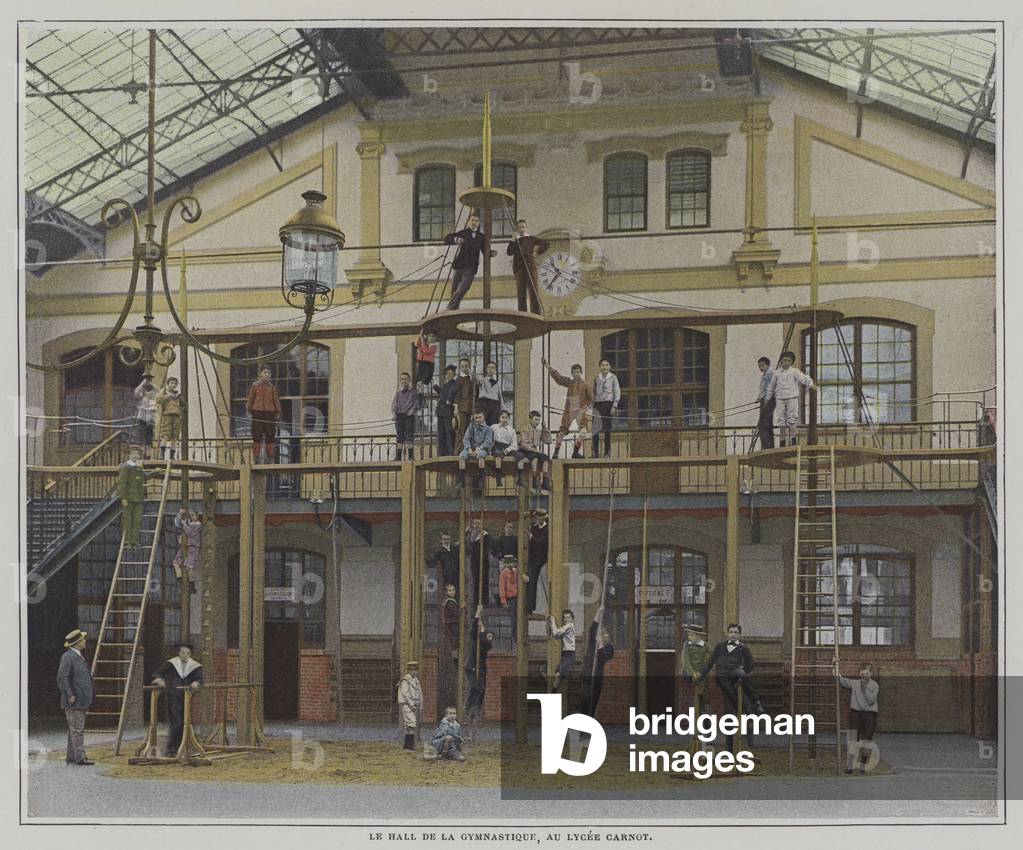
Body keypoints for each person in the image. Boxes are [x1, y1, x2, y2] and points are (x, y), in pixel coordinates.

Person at [151, 641, 203, 758]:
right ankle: (171, 749)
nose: (186, 655)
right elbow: (157, 673)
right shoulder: (171, 664)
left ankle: (182, 747)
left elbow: (200, 679)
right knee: (177, 722)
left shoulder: (194, 666)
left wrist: (196, 682)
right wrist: (159, 679)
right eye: (183, 652)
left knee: (186, 722)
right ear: (179, 653)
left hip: (187, 697)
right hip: (173, 696)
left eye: (188, 653)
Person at [701, 623, 766, 715]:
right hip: (722, 675)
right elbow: (710, 662)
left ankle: (756, 702)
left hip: (734, 672)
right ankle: (745, 713)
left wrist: (743, 671)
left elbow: (750, 664)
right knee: (732, 694)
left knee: (741, 673)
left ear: (739, 635)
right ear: (727, 634)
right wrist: (702, 675)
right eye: (731, 632)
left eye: (736, 632)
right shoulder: (720, 646)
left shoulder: (743, 648)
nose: (733, 634)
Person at [56, 629, 94, 765]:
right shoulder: (68, 657)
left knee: (75, 729)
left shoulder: (77, 656)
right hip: (74, 700)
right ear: (77, 642)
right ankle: (80, 757)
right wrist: (69, 694)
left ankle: (72, 756)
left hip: (81, 699)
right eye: (83, 639)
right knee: (77, 729)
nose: (85, 641)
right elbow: (61, 678)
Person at [835, 661, 880, 774]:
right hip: (855, 714)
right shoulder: (855, 683)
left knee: (866, 741)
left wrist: (864, 688)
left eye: (867, 674)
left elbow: (871, 700)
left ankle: (863, 766)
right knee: (852, 739)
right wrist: (834, 666)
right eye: (862, 674)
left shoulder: (874, 685)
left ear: (871, 674)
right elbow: (839, 679)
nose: (864, 676)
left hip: (869, 715)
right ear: (859, 673)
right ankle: (850, 765)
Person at [543, 359, 593, 459]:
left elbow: (591, 399)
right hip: (568, 412)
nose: (576, 374)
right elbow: (558, 378)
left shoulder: (586, 384)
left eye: (578, 372)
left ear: (581, 372)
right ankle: (556, 452)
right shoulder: (569, 383)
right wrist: (547, 366)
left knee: (583, 432)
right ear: (571, 373)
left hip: (580, 413)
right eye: (574, 372)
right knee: (562, 431)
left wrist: (585, 407)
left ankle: (575, 452)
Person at [444, 212, 494, 311]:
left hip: (470, 268)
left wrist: (491, 253)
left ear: (479, 223)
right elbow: (447, 239)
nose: (474, 222)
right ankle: (453, 316)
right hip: (458, 266)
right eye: (472, 220)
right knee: (454, 292)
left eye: (476, 221)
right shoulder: (463, 233)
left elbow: (485, 251)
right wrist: (456, 239)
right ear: (468, 222)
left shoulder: (481, 237)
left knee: (462, 289)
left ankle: (448, 309)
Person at [765, 351, 816, 448]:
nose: (786, 363)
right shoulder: (776, 373)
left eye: (788, 361)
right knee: (781, 421)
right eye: (784, 360)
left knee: (792, 419)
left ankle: (793, 441)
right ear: (781, 361)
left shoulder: (794, 371)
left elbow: (803, 378)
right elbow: (771, 386)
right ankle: (782, 442)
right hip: (780, 398)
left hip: (792, 398)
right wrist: (767, 398)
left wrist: (811, 384)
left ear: (791, 362)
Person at [118, 445, 159, 549]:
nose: (136, 456)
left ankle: (135, 541)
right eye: (133, 454)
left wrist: (156, 472)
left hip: (139, 498)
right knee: (128, 520)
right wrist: (123, 498)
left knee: (137, 520)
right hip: (129, 498)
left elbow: (145, 476)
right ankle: (128, 541)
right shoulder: (125, 467)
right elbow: (122, 483)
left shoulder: (138, 467)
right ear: (129, 455)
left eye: (137, 454)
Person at [506, 218, 549, 314]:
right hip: (519, 269)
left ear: (526, 228)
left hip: (530, 268)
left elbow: (546, 244)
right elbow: (509, 252)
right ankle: (522, 315)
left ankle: (536, 315)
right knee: (521, 293)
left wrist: (537, 251)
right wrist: (512, 240)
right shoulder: (515, 240)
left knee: (533, 291)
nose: (521, 229)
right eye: (519, 227)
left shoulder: (531, 238)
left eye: (523, 227)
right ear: (517, 229)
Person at [582, 607, 614, 718]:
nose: (605, 636)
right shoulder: (592, 643)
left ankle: (589, 723)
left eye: (606, 634)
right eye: (602, 634)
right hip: (587, 675)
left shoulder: (609, 647)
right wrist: (598, 612)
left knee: (593, 702)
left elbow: (603, 658)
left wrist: (600, 645)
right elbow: (592, 629)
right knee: (586, 700)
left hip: (596, 678)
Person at [464, 605, 494, 720]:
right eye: (489, 635)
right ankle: (468, 708)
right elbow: (473, 629)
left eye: (491, 636)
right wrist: (477, 613)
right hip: (471, 666)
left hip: (480, 667)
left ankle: (476, 708)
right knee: (475, 687)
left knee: (482, 689)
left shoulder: (487, 645)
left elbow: (485, 641)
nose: (490, 638)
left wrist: (482, 629)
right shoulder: (475, 640)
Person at [246, 366, 281, 463]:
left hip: (269, 414)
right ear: (261, 374)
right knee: (256, 435)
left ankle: (270, 456)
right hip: (257, 412)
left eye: (269, 373)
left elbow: (276, 400)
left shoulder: (272, 387)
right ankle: (256, 456)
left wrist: (278, 412)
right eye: (265, 372)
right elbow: (251, 399)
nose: (267, 375)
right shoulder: (255, 385)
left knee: (270, 434)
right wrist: (249, 410)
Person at [591, 359, 621, 458]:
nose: (604, 367)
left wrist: (614, 405)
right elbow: (593, 392)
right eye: (602, 365)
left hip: (608, 403)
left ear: (609, 367)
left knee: (607, 428)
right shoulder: (597, 378)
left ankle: (607, 452)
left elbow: (617, 391)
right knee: (595, 428)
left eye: (606, 365)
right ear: (600, 367)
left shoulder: (613, 377)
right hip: (597, 404)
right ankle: (595, 452)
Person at [680, 623, 711, 715]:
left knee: (704, 687)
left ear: (699, 636)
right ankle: (695, 709)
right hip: (689, 671)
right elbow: (686, 661)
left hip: (700, 671)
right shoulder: (687, 645)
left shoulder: (704, 645)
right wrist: (693, 673)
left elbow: (713, 655)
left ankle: (704, 710)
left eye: (692, 635)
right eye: (689, 635)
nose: (689, 637)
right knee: (696, 683)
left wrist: (708, 664)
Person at [517, 410, 553, 491]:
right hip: (525, 451)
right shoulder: (524, 429)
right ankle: (534, 481)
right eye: (535, 420)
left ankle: (545, 481)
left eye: (539, 420)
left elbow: (548, 441)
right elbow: (523, 444)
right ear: (530, 420)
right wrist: (535, 450)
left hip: (534, 452)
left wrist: (545, 429)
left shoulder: (538, 431)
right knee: (534, 458)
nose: (537, 422)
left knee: (546, 458)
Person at [459, 410, 493, 488]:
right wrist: (469, 449)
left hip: (482, 448)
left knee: (481, 456)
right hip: (471, 448)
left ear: (484, 417)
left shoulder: (488, 429)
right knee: (462, 456)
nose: (477, 419)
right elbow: (466, 439)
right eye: (476, 418)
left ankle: (481, 479)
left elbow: (488, 442)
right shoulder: (471, 427)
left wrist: (479, 448)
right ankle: (462, 479)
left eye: (480, 417)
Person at [524, 509, 549, 614]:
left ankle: (530, 606)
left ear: (543, 518)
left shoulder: (547, 529)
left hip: (539, 559)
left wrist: (530, 536)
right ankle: (529, 604)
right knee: (529, 581)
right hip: (532, 557)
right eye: (536, 518)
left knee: (532, 580)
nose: (537, 519)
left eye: (539, 518)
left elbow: (541, 542)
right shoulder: (535, 526)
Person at [391, 372, 420, 461]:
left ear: (409, 381)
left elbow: (416, 404)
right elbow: (394, 404)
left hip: (409, 417)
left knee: (409, 436)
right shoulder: (398, 393)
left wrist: (412, 411)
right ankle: (398, 457)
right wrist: (394, 414)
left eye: (406, 379)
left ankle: (410, 457)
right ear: (400, 381)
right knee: (399, 436)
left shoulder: (413, 393)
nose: (404, 381)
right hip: (399, 417)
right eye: (402, 379)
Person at [156, 376, 185, 460]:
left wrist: (182, 405)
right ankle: (162, 454)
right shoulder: (164, 392)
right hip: (167, 415)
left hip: (176, 416)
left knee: (175, 436)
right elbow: (158, 400)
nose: (174, 385)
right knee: (165, 434)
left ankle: (172, 455)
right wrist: (167, 396)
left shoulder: (178, 394)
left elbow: (184, 405)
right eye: (172, 383)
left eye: (175, 383)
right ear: (168, 384)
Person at [433, 365, 459, 456]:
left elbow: (451, 396)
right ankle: (442, 453)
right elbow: (443, 394)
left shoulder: (454, 384)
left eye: (451, 374)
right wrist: (435, 387)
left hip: (448, 412)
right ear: (445, 375)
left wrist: (450, 401)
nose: (449, 375)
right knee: (441, 433)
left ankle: (450, 453)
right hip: (441, 412)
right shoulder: (446, 385)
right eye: (448, 374)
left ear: (454, 375)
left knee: (449, 432)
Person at [396, 661, 423, 751]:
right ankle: (410, 744)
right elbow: (405, 694)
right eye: (412, 670)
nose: (414, 672)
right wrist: (411, 704)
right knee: (411, 723)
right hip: (407, 705)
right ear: (409, 671)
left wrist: (420, 704)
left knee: (410, 724)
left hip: (415, 704)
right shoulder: (405, 680)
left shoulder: (416, 681)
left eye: (415, 670)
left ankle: (407, 744)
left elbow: (419, 693)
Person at [464, 518, 491, 608]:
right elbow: (466, 546)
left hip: (483, 561)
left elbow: (489, 547)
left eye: (478, 523)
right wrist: (465, 533)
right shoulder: (470, 536)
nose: (476, 525)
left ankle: (484, 602)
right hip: (474, 561)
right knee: (475, 582)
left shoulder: (485, 535)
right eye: (474, 523)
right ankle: (475, 602)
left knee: (484, 581)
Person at [172, 508, 204, 580]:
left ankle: (191, 582)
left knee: (189, 566)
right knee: (176, 562)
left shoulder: (198, 525)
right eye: (191, 515)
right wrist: (180, 514)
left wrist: (184, 524)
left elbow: (191, 533)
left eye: (193, 515)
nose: (192, 517)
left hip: (193, 547)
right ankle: (180, 577)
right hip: (185, 545)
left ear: (197, 516)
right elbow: (177, 524)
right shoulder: (190, 523)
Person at [549, 609, 576, 691]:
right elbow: (557, 635)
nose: (566, 619)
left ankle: (552, 693)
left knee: (559, 675)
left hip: (569, 654)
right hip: (566, 654)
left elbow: (556, 634)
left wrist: (553, 621)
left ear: (572, 619)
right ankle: (553, 692)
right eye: (565, 618)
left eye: (568, 617)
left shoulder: (569, 626)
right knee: (558, 674)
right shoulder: (567, 627)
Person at [490, 410, 518, 484]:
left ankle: (519, 478)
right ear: (499, 418)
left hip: (508, 447)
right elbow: (488, 438)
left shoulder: (512, 430)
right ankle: (498, 476)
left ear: (509, 419)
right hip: (497, 446)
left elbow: (514, 445)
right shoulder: (493, 427)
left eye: (506, 417)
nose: (504, 419)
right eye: (502, 417)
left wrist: (507, 450)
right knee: (498, 454)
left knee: (520, 456)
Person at [474, 361, 504, 426]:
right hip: (484, 404)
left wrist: (503, 409)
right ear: (486, 370)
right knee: (482, 424)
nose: (490, 370)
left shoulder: (497, 383)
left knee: (493, 425)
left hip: (494, 405)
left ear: (495, 370)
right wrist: (474, 367)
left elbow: (500, 397)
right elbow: (474, 376)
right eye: (489, 368)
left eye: (492, 368)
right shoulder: (482, 380)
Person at [755, 356, 776, 450]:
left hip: (769, 400)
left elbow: (772, 387)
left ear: (768, 365)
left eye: (763, 365)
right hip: (765, 400)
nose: (761, 368)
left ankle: (767, 447)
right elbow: (763, 389)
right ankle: (768, 446)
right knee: (766, 423)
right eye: (759, 366)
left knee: (763, 424)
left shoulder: (770, 374)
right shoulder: (764, 375)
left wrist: (766, 398)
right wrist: (759, 398)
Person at [133, 378, 158, 456]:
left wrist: (152, 384)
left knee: (149, 437)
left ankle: (148, 454)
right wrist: (142, 384)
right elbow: (136, 394)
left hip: (150, 417)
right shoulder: (142, 394)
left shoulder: (154, 394)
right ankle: (143, 453)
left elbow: (159, 392)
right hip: (142, 417)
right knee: (142, 436)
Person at [454, 358, 476, 439]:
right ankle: (459, 451)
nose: (464, 368)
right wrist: (456, 408)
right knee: (461, 430)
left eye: (466, 366)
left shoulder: (471, 379)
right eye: (462, 366)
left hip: (470, 408)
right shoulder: (458, 380)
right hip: (461, 408)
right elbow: (456, 395)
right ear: (460, 367)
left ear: (469, 367)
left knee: (468, 430)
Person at [498, 555, 519, 638]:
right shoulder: (503, 573)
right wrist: (503, 601)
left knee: (519, 618)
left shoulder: (516, 571)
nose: (510, 564)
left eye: (511, 562)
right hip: (510, 599)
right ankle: (515, 638)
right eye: (508, 563)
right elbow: (501, 587)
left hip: (518, 598)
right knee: (514, 620)